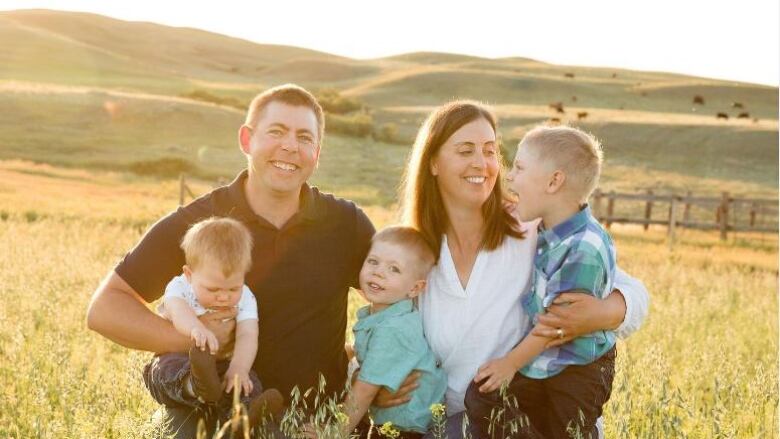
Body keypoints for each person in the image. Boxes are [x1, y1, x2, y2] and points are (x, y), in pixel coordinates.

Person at [87, 84, 375, 437]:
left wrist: (387, 373)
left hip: (315, 423)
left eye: (304, 137)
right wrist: (202, 342)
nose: (290, 146)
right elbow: (104, 309)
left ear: (316, 153)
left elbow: (402, 300)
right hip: (208, 418)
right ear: (246, 140)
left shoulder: (346, 223)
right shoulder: (199, 221)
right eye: (276, 132)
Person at [383, 100, 649, 439]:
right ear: (433, 162)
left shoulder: (532, 228)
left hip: (534, 416)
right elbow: (386, 326)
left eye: (490, 151)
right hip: (456, 421)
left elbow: (635, 295)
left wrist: (598, 313)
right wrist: (376, 382)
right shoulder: (412, 251)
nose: (482, 163)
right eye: (466, 150)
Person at [465, 125, 617, 438]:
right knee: (482, 395)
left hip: (578, 368)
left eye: (519, 168)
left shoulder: (584, 246)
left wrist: (509, 364)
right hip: (545, 360)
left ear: (554, 181)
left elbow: (556, 326)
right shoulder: (549, 229)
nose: (509, 177)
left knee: (566, 431)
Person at [142, 217, 284, 430]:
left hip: (222, 364)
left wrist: (239, 367)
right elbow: (178, 311)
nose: (224, 297)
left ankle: (244, 415)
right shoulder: (179, 287)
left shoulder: (246, 297)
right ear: (189, 275)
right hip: (178, 356)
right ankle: (194, 384)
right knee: (166, 369)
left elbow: (248, 335)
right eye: (213, 289)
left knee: (247, 381)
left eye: (233, 289)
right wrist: (196, 328)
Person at [341, 226, 447, 439]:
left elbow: (364, 391)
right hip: (392, 422)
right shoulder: (386, 316)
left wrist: (333, 431)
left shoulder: (394, 329)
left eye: (394, 269)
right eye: (373, 261)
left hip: (406, 429)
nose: (378, 272)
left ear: (415, 289)